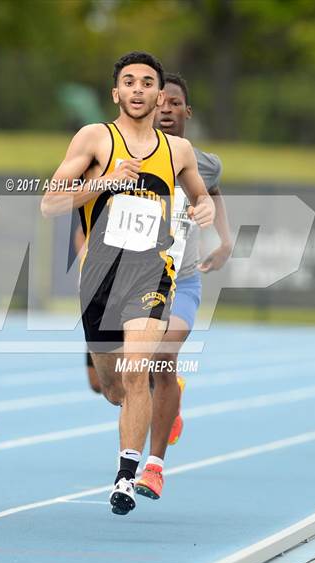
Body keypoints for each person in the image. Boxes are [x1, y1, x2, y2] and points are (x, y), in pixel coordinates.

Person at [41, 51, 215, 515]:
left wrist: (206, 208)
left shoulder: (178, 150)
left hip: (150, 271)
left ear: (160, 96)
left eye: (147, 83)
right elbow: (50, 204)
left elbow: (201, 194)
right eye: (129, 82)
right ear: (116, 92)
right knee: (113, 386)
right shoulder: (95, 138)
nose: (138, 89)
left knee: (139, 371)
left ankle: (125, 475)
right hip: (99, 277)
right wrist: (106, 183)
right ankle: (130, 411)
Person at [135, 73, 232, 500]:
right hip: (135, 282)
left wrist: (225, 241)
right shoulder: (130, 156)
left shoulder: (204, 161)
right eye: (161, 103)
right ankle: (167, 399)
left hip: (183, 281)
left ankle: (153, 466)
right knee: (118, 384)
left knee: (164, 355)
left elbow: (213, 190)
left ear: (186, 111)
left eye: (175, 103)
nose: (167, 110)